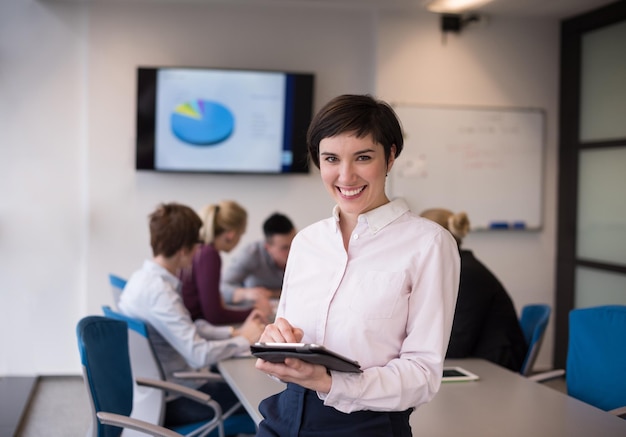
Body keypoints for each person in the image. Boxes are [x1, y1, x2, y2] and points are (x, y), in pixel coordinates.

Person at [254, 94, 461, 436]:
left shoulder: (429, 244)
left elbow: (422, 375)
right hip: (283, 416)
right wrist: (277, 344)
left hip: (367, 425)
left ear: (390, 157)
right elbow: (289, 343)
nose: (345, 176)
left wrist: (331, 382)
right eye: (331, 158)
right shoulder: (307, 242)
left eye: (363, 157)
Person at [118, 202, 265, 427]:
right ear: (185, 251)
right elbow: (197, 354)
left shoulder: (142, 280)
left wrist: (234, 332)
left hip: (157, 392)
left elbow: (189, 328)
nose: (199, 250)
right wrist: (243, 340)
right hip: (178, 398)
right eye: (196, 244)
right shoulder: (160, 294)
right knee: (263, 399)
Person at [420, 208, 528, 372]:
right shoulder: (455, 267)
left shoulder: (466, 274)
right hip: (479, 354)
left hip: (497, 363)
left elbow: (458, 343)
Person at [180, 200, 271, 325]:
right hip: (196, 328)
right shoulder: (208, 254)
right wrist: (255, 311)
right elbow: (215, 316)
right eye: (241, 234)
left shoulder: (199, 250)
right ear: (231, 235)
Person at [220, 212, 296, 307]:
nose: (293, 250)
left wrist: (272, 293)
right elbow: (222, 287)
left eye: (294, 244)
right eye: (284, 248)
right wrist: (245, 294)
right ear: (268, 248)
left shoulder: (305, 250)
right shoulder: (251, 254)